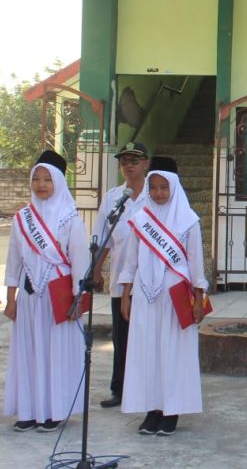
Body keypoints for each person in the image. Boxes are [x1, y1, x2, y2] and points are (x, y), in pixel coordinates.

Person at [120, 156, 208, 436]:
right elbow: (130, 262)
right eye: (154, 187)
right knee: (147, 352)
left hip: (175, 297)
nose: (158, 193)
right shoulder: (140, 220)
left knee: (173, 353)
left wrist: (198, 299)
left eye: (163, 187)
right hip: (145, 295)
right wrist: (125, 295)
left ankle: (172, 411)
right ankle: (152, 408)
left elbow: (196, 263)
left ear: (174, 187)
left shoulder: (188, 221)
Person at [3, 150, 90, 432]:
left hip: (59, 294)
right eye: (36, 179)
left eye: (47, 179)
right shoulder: (22, 218)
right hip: (29, 295)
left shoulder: (70, 218)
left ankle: (54, 410)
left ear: (59, 182)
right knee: (28, 351)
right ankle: (28, 410)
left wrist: (79, 299)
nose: (40, 185)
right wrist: (10, 299)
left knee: (55, 353)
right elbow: (13, 261)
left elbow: (80, 262)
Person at [93, 141, 150, 409]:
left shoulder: (156, 194)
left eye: (134, 160)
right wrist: (96, 270)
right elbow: (102, 237)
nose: (128, 166)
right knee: (122, 337)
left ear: (146, 163)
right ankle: (120, 389)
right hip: (120, 279)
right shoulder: (113, 198)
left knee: (147, 337)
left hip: (149, 281)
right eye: (124, 161)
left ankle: (147, 390)